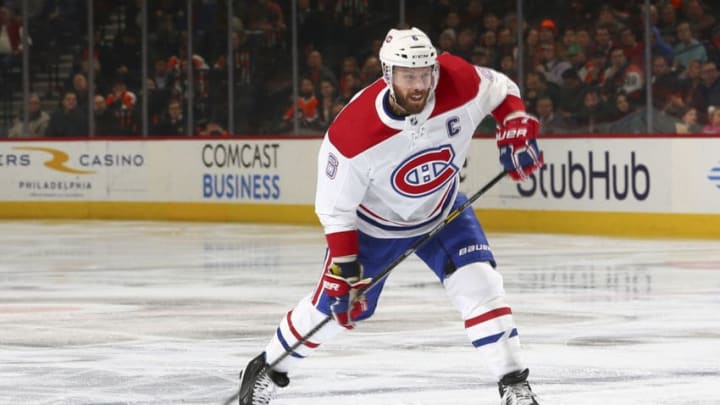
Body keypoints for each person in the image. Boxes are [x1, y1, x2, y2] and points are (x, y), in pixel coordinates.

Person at [236, 27, 543, 405]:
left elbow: (499, 87)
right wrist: (346, 269)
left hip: (442, 210)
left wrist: (513, 121)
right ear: (388, 74)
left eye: (425, 73)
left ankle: (513, 383)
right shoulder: (352, 134)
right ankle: (268, 367)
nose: (419, 85)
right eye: (408, 76)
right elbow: (335, 210)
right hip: (373, 229)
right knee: (336, 310)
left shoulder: (456, 80)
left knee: (481, 285)